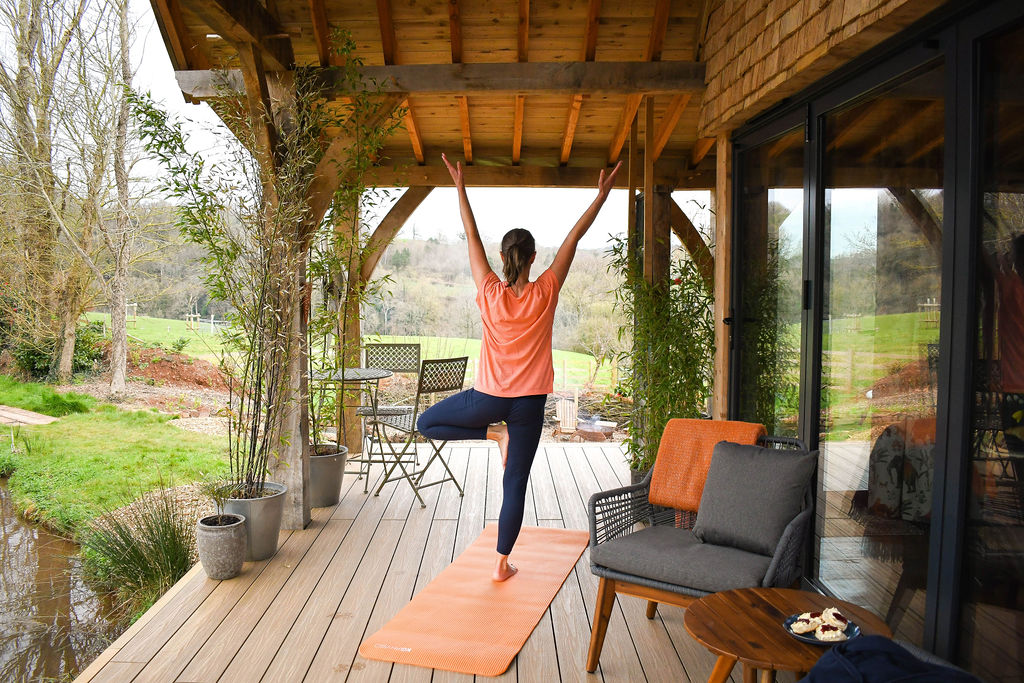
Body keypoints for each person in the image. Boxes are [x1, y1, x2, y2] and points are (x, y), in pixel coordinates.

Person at [417, 153, 621, 581]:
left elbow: (469, 233)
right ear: (532, 258)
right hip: (528, 404)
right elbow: (575, 238)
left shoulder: (490, 290)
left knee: (426, 423)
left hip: (487, 397)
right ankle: (502, 564)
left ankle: (493, 432)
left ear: (504, 257)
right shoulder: (546, 290)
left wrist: (459, 187)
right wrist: (601, 196)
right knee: (515, 484)